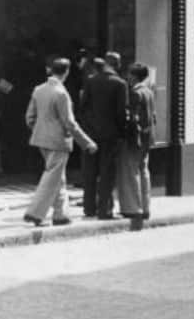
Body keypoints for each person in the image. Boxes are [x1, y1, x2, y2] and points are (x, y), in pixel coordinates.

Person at [23, 58, 98, 226]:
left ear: (51, 70)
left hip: (41, 140)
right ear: (67, 72)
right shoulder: (61, 93)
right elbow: (69, 123)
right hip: (58, 141)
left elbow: (29, 118)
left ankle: (60, 214)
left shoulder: (38, 89)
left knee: (58, 177)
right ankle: (35, 213)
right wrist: (87, 143)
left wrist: (40, 130)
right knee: (52, 176)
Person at [80, 51, 129, 219]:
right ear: (118, 64)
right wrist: (122, 132)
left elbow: (83, 108)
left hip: (91, 133)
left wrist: (88, 128)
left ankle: (89, 207)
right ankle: (104, 209)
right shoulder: (120, 84)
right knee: (107, 172)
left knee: (90, 171)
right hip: (111, 134)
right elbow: (121, 113)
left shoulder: (91, 81)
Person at [118, 62, 155, 225]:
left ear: (134, 76)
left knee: (131, 172)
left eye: (130, 74)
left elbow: (133, 119)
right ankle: (146, 207)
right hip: (147, 137)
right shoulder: (149, 92)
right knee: (144, 170)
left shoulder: (135, 93)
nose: (128, 77)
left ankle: (134, 208)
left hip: (135, 138)